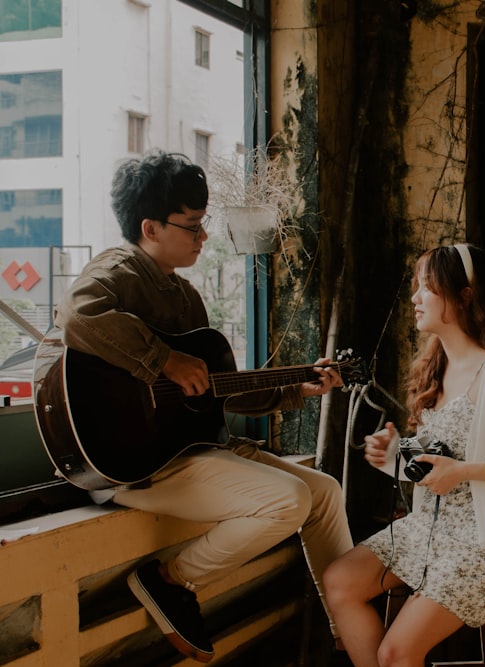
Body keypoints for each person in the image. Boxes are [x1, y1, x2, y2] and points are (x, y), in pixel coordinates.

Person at [53, 150, 355, 663]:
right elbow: (77, 314)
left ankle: (349, 630)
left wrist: (297, 388)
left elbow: (218, 389)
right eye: (193, 226)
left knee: (324, 491)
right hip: (136, 465)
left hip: (190, 449)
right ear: (150, 227)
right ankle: (170, 578)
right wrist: (163, 360)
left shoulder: (185, 297)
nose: (204, 237)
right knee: (287, 500)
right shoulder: (119, 269)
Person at [322, 243, 485, 667]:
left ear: (465, 296)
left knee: (396, 654)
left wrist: (466, 472)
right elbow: (437, 466)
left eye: (426, 288)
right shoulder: (435, 372)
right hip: (430, 534)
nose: (415, 299)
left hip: (484, 547)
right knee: (339, 580)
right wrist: (394, 458)